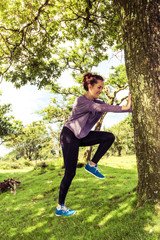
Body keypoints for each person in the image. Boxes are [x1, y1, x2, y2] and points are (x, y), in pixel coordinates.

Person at [55, 72, 132, 216]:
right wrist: (126, 108)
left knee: (109, 137)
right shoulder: (81, 101)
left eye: (102, 88)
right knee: (70, 173)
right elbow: (101, 109)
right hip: (69, 135)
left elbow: (110, 107)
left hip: (81, 136)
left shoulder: (99, 102)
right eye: (99, 87)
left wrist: (130, 107)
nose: (101, 90)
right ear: (89, 86)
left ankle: (92, 165)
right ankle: (60, 207)